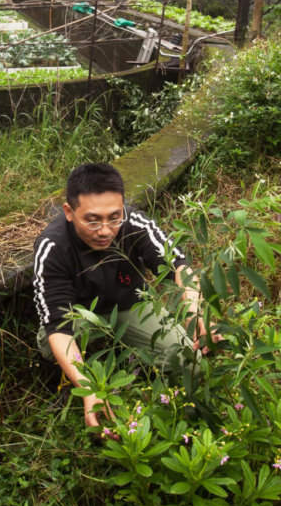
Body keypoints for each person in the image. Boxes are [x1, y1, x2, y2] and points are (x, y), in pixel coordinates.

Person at [33, 162, 211, 434]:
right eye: (92, 220)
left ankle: (131, 359)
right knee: (50, 344)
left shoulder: (133, 223)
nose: (105, 230)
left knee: (192, 364)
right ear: (69, 212)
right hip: (78, 318)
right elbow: (58, 325)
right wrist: (87, 387)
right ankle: (78, 374)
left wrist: (194, 305)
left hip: (130, 305)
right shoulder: (53, 246)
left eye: (114, 217)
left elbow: (177, 263)